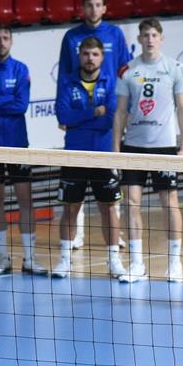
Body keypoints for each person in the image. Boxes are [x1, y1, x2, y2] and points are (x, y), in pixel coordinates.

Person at [113, 18, 183, 283]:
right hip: (134, 147)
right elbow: (120, 112)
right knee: (131, 204)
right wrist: (116, 150)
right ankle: (137, 264)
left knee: (170, 204)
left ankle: (174, 264)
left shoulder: (175, 68)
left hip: (164, 148)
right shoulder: (128, 70)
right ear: (139, 39)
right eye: (145, 35)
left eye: (154, 35)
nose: (149, 39)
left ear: (161, 38)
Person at [57, 0, 130, 249]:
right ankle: (76, 236)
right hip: (79, 112)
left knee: (108, 194)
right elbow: (64, 74)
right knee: (74, 196)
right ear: (83, 8)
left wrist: (119, 111)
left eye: (98, 5)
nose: (94, 9)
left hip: (108, 113)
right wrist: (69, 113)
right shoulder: (71, 36)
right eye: (89, 5)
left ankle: (114, 239)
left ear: (105, 8)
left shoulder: (115, 34)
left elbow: (125, 70)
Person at [0, 25, 46, 276]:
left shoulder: (21, 69)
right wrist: (7, 98)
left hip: (17, 145)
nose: (1, 42)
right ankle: (3, 258)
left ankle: (30, 258)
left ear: (11, 42)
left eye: (5, 38)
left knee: (26, 200)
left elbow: (21, 105)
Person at [51, 37, 123, 279]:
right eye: (85, 53)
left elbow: (109, 119)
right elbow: (63, 116)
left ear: (102, 57)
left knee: (108, 209)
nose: (90, 58)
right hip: (74, 156)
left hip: (103, 155)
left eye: (94, 54)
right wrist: (93, 112)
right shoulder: (67, 82)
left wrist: (78, 119)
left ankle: (114, 261)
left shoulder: (111, 82)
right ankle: (64, 260)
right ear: (79, 56)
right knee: (70, 209)